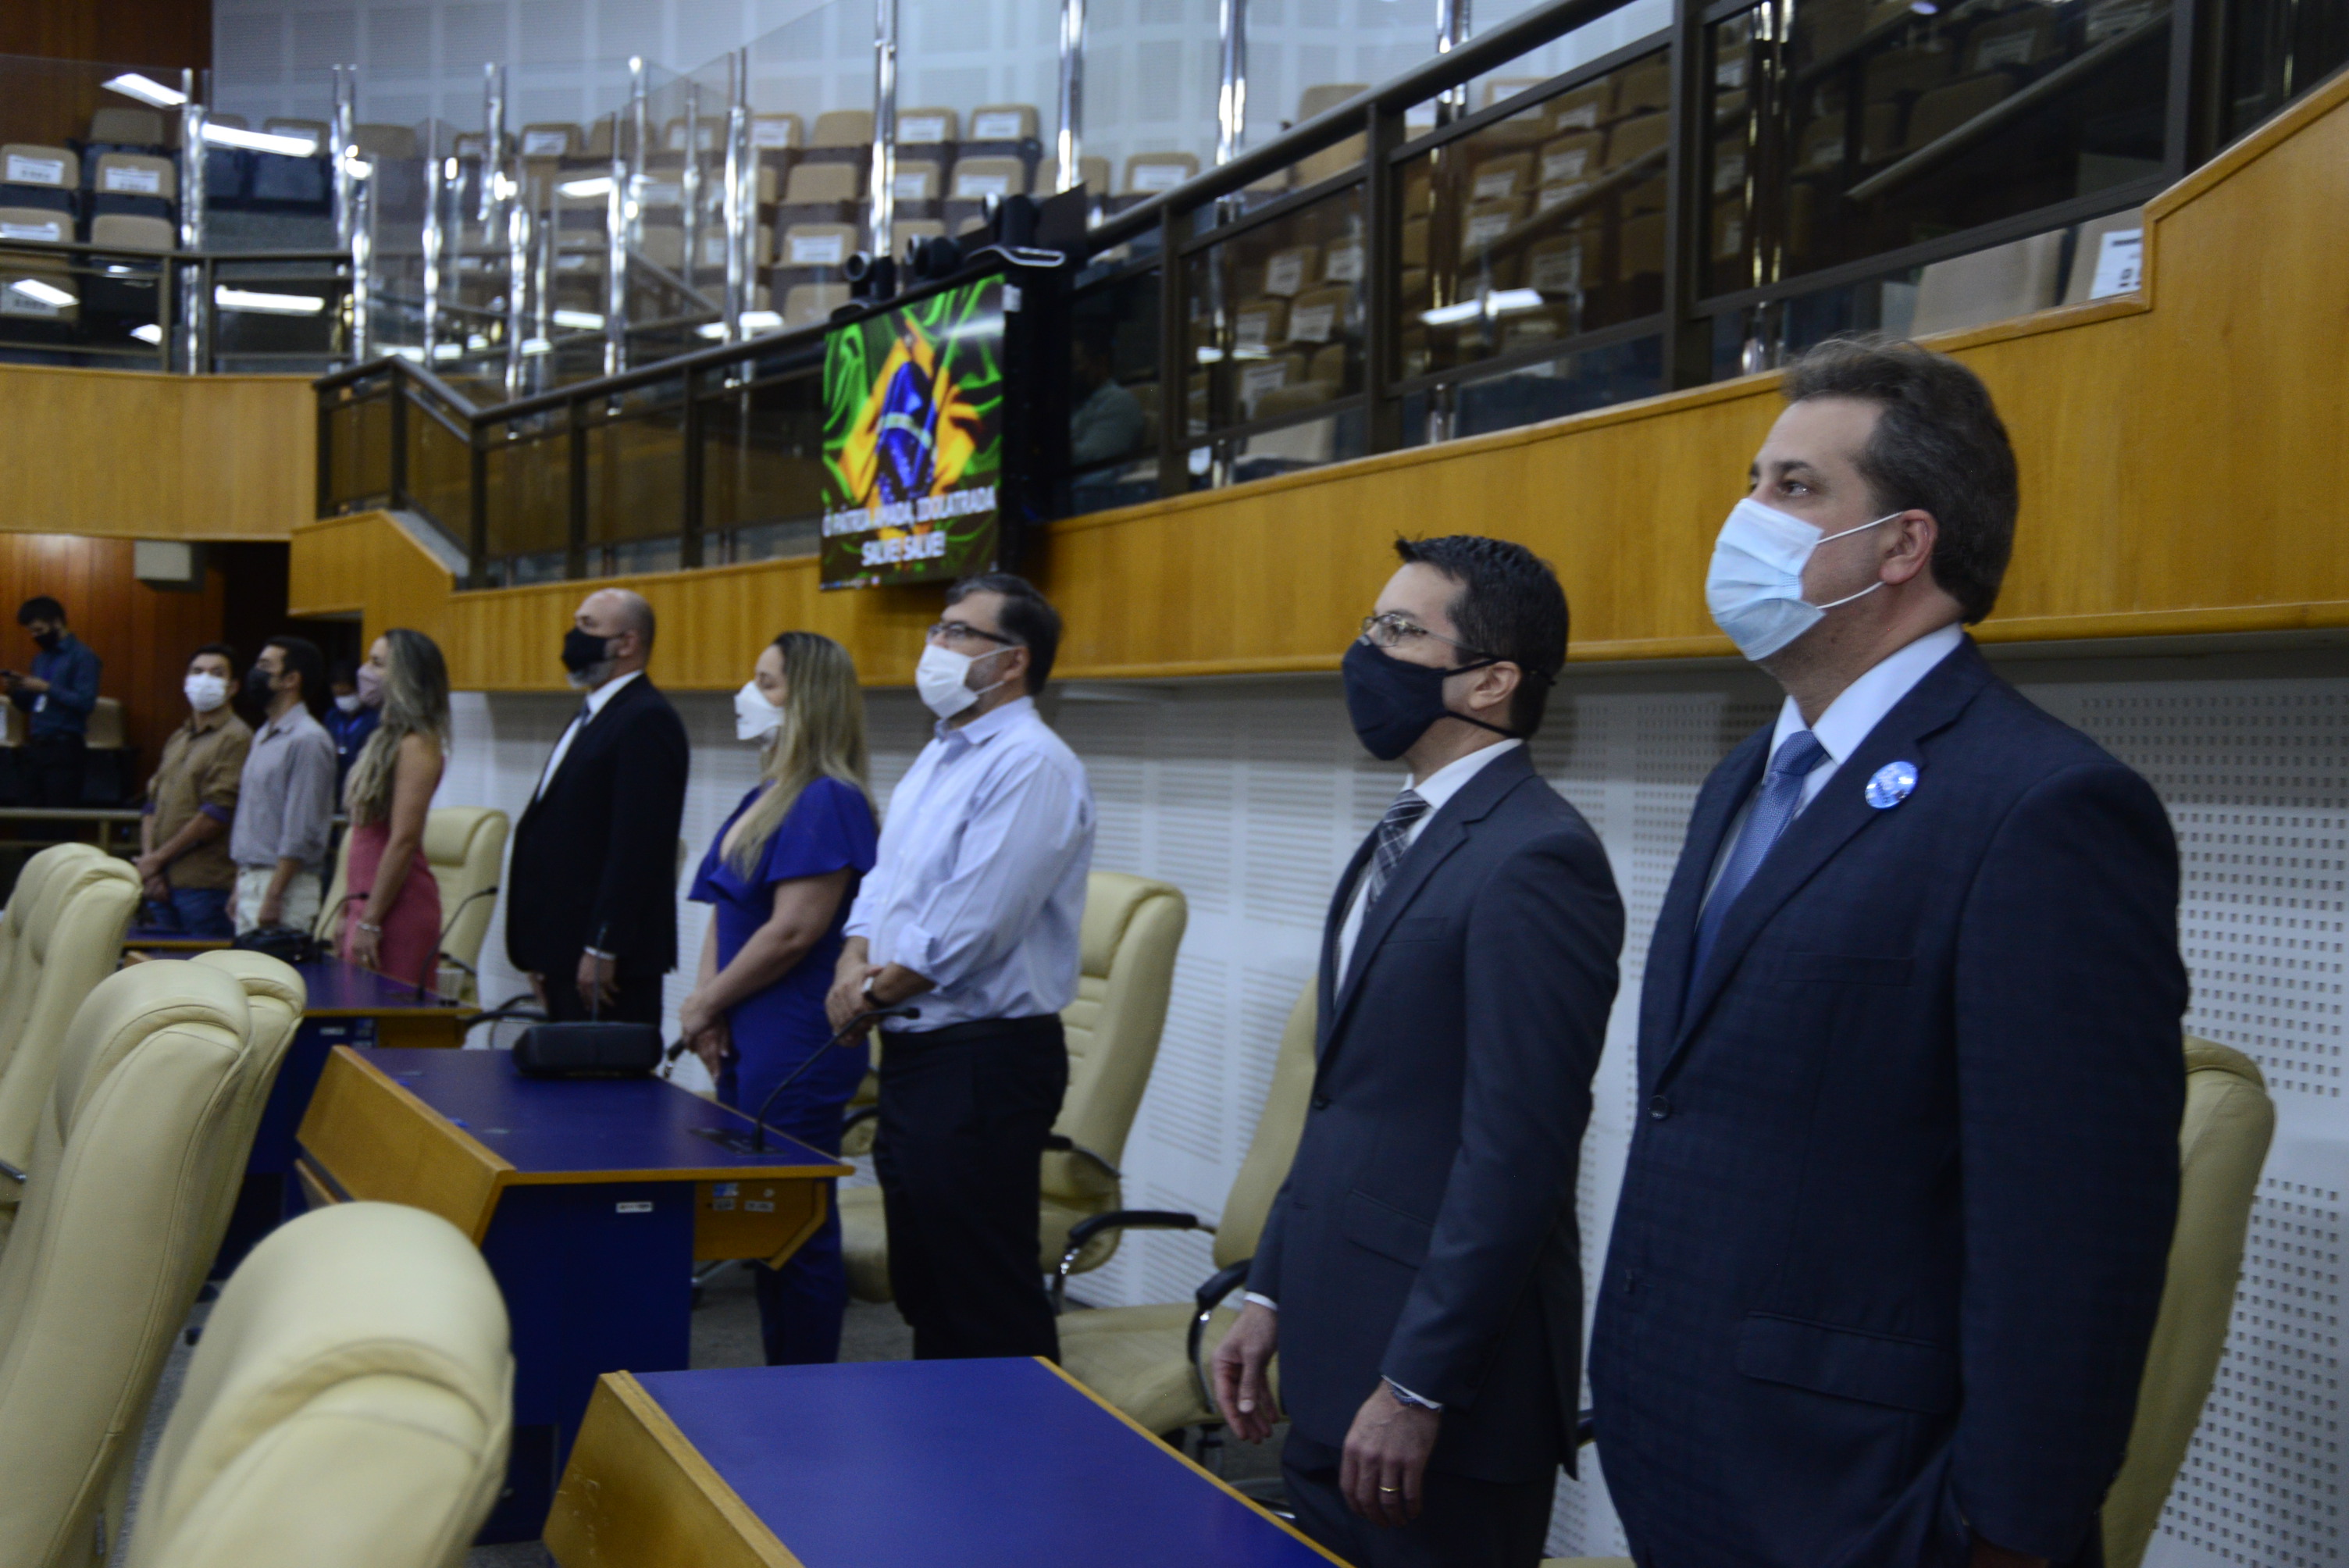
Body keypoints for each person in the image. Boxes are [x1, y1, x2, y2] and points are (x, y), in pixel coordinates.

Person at [1588, 337, 2186, 1568]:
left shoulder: (2046, 808)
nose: (1748, 517)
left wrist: (2004, 1533)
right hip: (1687, 1461)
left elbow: (2075, 1233)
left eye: (1796, 487)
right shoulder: (1743, 780)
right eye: (1754, 481)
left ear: (1905, 544)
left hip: (1867, 1504)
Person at [1211, 536, 1624, 1568]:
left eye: (1399, 632)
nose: (1366, 653)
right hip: (1332, 1353)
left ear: (1490, 681)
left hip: (1439, 1399)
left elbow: (1518, 1155)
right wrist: (1270, 1293)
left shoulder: (1539, 858)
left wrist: (1416, 1383)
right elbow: (1343, 1102)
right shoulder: (1405, 831)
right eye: (1371, 626)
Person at [825, 572, 1094, 1362]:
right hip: (917, 1050)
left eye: (955, 632)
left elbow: (974, 924)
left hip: (982, 1061)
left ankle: (1019, 1439)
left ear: (1012, 660)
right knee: (928, 1283)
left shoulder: (1032, 763)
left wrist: (868, 995)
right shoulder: (942, 752)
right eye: (936, 629)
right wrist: (851, 959)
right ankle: (944, 1435)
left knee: (982, 1291)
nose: (934, 645)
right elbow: (885, 882)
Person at [681, 632, 880, 1365]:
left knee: (795, 1225)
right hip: (745, 1023)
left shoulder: (829, 799)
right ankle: (776, 1376)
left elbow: (794, 931)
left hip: (794, 1036)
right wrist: (708, 1001)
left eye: (766, 682)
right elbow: (726, 907)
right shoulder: (765, 794)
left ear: (808, 700)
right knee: (761, 1222)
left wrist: (708, 1003)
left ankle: (804, 1385)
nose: (748, 694)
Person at [507, 588, 690, 1025]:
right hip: (562, 949)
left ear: (627, 643)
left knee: (603, 1069)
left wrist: (603, 947)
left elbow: (638, 847)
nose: (574, 637)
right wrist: (541, 951)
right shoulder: (595, 712)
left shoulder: (646, 719)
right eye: (576, 624)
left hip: (607, 964)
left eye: (588, 626)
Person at [339, 630, 450, 989]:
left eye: (377, 663)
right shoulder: (385, 738)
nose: (365, 672)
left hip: (395, 911)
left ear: (405, 676)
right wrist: (347, 910)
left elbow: (403, 839)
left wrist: (370, 921)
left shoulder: (418, 743)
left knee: (382, 1016)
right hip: (366, 902)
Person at [136, 645, 251, 939]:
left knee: (202, 963)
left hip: (204, 885)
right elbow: (151, 805)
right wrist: (151, 864)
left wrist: (157, 860)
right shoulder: (179, 737)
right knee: (159, 964)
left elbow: (217, 814)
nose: (205, 679)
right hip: (160, 881)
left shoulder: (236, 737)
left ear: (233, 686)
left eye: (217, 673)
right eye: (198, 672)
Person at [227, 636, 339, 934]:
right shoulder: (264, 734)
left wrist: (275, 894)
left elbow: (301, 828)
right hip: (252, 879)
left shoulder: (308, 740)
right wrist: (240, 884)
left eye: (266, 666)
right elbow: (252, 817)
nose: (256, 674)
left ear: (291, 679)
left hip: (286, 887)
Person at [5, 597, 101, 807]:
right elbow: (32, 705)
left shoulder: (83, 656)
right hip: (37, 745)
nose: (35, 636)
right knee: (29, 813)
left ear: (56, 622)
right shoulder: (41, 659)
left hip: (65, 748)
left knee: (60, 813)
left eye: (39, 630)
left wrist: (46, 688)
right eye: (31, 632)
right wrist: (15, 690)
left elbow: (86, 703)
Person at [1069, 326, 1145, 468]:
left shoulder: (1119, 402)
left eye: (1075, 364)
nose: (1070, 373)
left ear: (1100, 363)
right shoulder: (1076, 403)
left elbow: (1094, 459)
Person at [323, 656, 382, 794]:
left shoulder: (375, 718)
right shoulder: (332, 717)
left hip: (363, 786)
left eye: (347, 693)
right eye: (338, 695)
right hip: (336, 786)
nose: (343, 699)